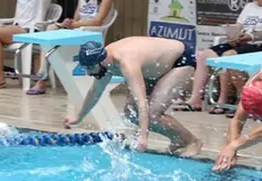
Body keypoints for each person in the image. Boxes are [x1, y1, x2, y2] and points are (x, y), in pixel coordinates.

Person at [63, 38, 202, 156]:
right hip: (155, 68)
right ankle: (178, 139)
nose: (88, 72)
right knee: (130, 113)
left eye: (89, 68)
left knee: (153, 114)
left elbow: (142, 102)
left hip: (180, 61)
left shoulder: (127, 63)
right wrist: (78, 116)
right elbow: (95, 92)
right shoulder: (105, 60)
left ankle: (193, 141)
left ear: (101, 62)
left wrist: (143, 138)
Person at [175, 0, 262, 115]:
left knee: (227, 57)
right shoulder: (250, 7)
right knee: (204, 55)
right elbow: (238, 25)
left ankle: (223, 99)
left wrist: (251, 36)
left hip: (258, 44)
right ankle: (196, 98)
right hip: (241, 41)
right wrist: (233, 33)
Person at [28, 0, 116, 95]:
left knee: (54, 41)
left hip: (91, 33)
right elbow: (76, 17)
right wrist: (69, 23)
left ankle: (42, 77)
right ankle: (43, 73)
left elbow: (98, 21)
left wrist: (76, 24)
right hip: (78, 29)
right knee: (50, 29)